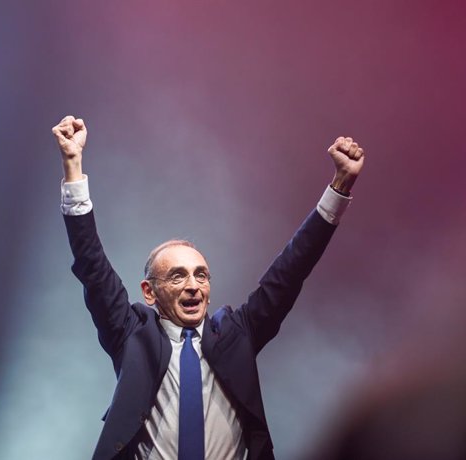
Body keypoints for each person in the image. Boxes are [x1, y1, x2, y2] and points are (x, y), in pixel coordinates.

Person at [52, 115, 365, 460]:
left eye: (201, 275)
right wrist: (73, 164)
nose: (192, 286)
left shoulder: (237, 333)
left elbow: (291, 270)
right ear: (149, 292)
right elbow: (92, 265)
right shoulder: (131, 335)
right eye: (177, 276)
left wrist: (340, 187)